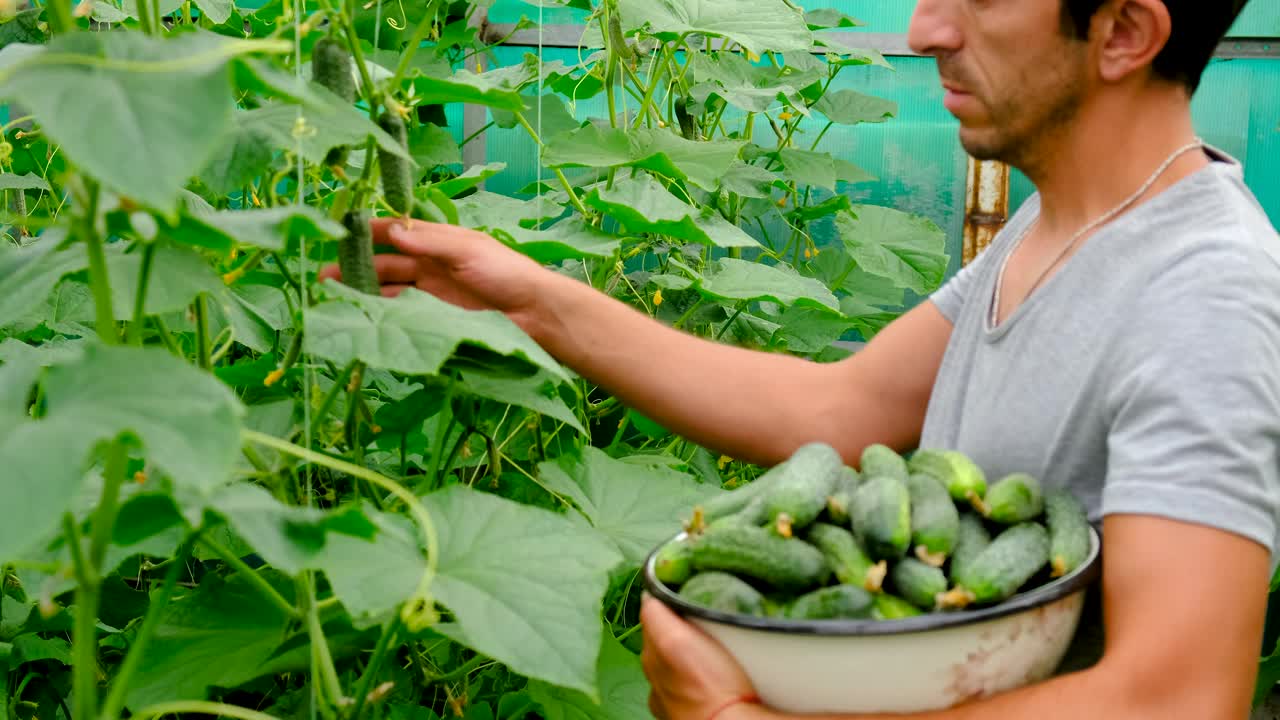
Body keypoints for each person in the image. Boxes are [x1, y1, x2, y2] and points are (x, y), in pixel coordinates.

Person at [321, 0, 1280, 716]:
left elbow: (1179, 697)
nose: (922, 28)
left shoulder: (1205, 291)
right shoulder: (1062, 220)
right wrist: (528, 294)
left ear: (1123, 32)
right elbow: (839, 409)